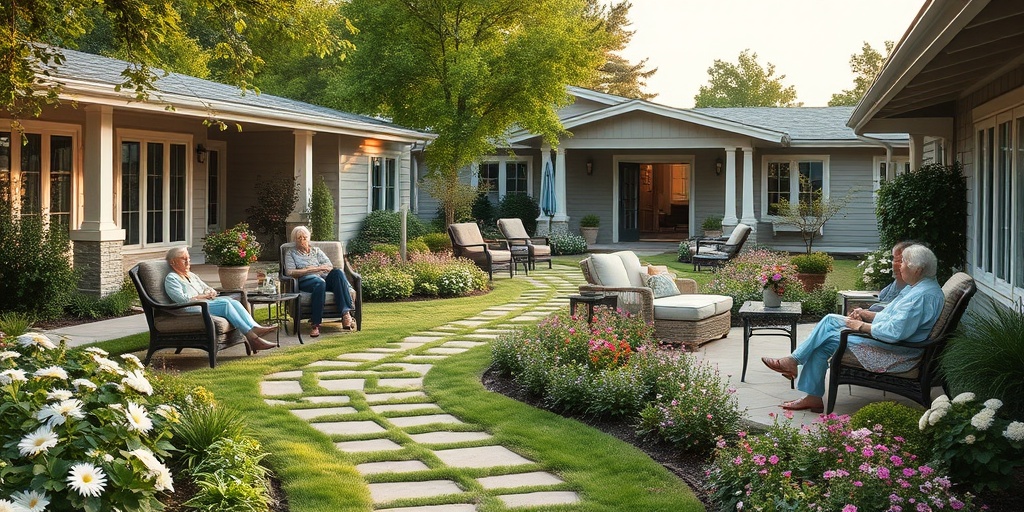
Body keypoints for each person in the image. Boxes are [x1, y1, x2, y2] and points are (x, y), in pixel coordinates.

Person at [761, 244, 945, 413]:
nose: (899, 266)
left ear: (918, 269)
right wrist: (865, 314)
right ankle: (805, 383)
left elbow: (894, 333)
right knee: (829, 325)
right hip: (892, 342)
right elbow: (893, 319)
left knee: (826, 337)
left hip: (896, 352)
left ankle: (798, 371)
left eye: (903, 262)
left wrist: (861, 326)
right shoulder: (920, 289)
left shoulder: (921, 296)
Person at [163, 247, 278, 352]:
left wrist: (211, 291)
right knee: (225, 304)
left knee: (232, 301)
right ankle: (253, 338)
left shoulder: (191, 275)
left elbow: (206, 287)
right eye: (183, 259)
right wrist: (203, 296)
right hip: (190, 308)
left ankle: (254, 327)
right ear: (173, 262)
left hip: (204, 303)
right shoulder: (172, 279)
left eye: (188, 258)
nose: (188, 262)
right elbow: (182, 300)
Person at [283, 226, 355, 337]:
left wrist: (316, 269)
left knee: (338, 273)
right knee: (319, 282)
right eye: (299, 238)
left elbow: (329, 266)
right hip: (306, 280)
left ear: (309, 238)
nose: (302, 240)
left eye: (305, 237)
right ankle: (315, 325)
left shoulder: (316, 251)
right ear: (295, 240)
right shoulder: (291, 253)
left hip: (323, 278)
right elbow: (290, 272)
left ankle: (346, 314)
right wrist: (313, 269)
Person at [867, 240, 918, 312]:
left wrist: (865, 314)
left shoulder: (915, 290)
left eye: (900, 261)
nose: (894, 264)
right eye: (894, 259)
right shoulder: (897, 283)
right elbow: (881, 299)